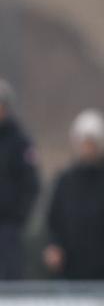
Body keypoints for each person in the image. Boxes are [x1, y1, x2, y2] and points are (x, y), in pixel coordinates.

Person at [44, 109, 104, 280]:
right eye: (84, 143)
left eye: (92, 143)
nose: (88, 148)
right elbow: (53, 219)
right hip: (70, 268)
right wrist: (54, 245)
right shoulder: (65, 181)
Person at [0, 80, 39, 280]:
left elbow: (31, 184)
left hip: (9, 227)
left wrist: (18, 217)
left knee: (10, 280)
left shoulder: (20, 141)